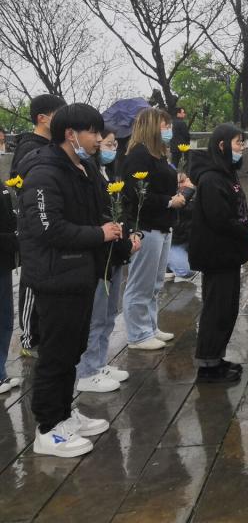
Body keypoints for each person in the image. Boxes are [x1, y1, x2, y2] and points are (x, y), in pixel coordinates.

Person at [19, 104, 120, 457]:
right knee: (55, 353)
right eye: (93, 132)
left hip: (81, 273)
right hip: (56, 276)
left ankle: (64, 414)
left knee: (73, 348)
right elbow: (48, 228)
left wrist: (117, 234)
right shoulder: (43, 172)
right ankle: (48, 429)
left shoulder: (85, 168)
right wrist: (99, 234)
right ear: (70, 134)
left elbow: (98, 212)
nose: (98, 139)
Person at [191, 124, 248, 383]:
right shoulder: (211, 179)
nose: (241, 148)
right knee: (216, 309)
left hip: (228, 255)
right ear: (222, 146)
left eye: (243, 143)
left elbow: (235, 210)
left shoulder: (226, 174)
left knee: (227, 308)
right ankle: (208, 366)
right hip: (217, 255)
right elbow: (221, 219)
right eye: (237, 143)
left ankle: (216, 358)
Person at [75, 130, 139, 393]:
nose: (110, 148)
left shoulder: (109, 174)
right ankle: (87, 370)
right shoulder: (87, 174)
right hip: (100, 253)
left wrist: (130, 236)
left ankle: (100, 361)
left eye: (113, 144)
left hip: (116, 251)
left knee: (109, 313)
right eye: (105, 143)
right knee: (96, 315)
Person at [122, 107, 184, 352]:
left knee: (155, 282)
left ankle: (149, 326)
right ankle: (137, 334)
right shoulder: (139, 155)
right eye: (164, 125)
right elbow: (135, 194)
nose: (168, 130)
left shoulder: (158, 154)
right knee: (141, 283)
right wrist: (169, 201)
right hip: (147, 227)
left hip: (163, 225)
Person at [11, 93, 66, 358]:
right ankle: (29, 338)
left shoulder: (52, 145)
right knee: (32, 281)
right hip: (34, 227)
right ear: (42, 118)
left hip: (49, 223)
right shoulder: (29, 147)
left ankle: (42, 334)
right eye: (58, 115)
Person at [0, 165, 19, 395]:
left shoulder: (3, 186)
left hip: (3, 262)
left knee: (5, 319)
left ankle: (1, 371)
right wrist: (14, 239)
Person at [167, 172, 198, 283]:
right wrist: (188, 191)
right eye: (178, 183)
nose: (181, 185)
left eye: (183, 181)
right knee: (187, 271)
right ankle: (164, 262)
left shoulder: (196, 193)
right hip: (173, 243)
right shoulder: (170, 198)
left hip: (189, 242)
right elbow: (179, 207)